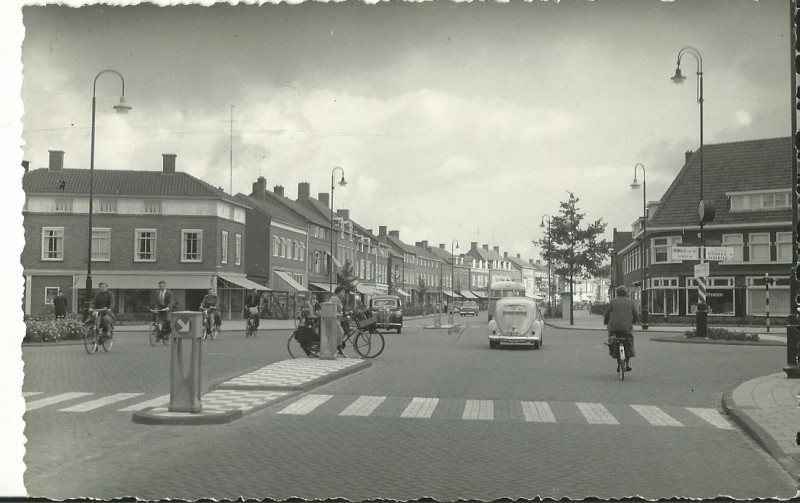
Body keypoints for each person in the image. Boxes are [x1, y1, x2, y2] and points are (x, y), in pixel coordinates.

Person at [603, 285, 638, 371]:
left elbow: (606, 313)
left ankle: (611, 345)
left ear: (617, 293)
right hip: (626, 327)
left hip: (614, 327)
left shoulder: (613, 301)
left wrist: (606, 321)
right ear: (626, 293)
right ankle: (627, 364)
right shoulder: (630, 302)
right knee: (629, 341)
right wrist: (634, 321)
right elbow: (635, 314)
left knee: (611, 336)